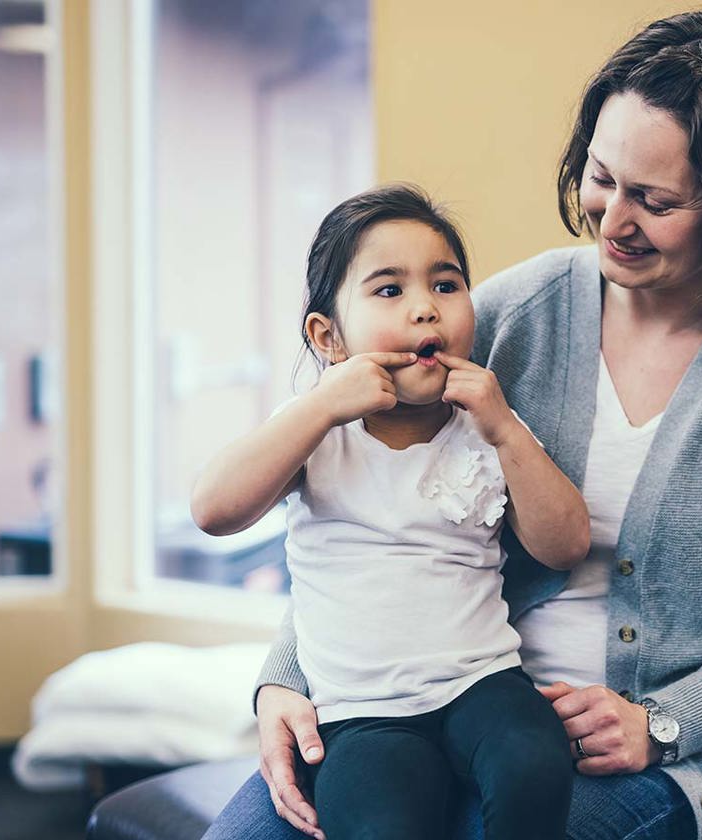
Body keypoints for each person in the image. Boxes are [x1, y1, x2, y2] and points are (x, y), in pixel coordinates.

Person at [204, 9, 702, 840]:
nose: (612, 218)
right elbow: (369, 510)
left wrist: (664, 722)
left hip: (642, 759)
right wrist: (285, 678)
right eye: (602, 176)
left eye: (654, 200)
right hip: (403, 707)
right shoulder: (510, 313)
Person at [191, 184, 587, 840]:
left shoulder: (487, 426)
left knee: (536, 767)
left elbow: (565, 545)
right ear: (328, 336)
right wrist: (320, 405)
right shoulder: (317, 434)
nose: (426, 311)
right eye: (389, 291)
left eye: (446, 285)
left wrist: (507, 431)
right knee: (377, 825)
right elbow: (214, 509)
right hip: (361, 714)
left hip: (483, 685)